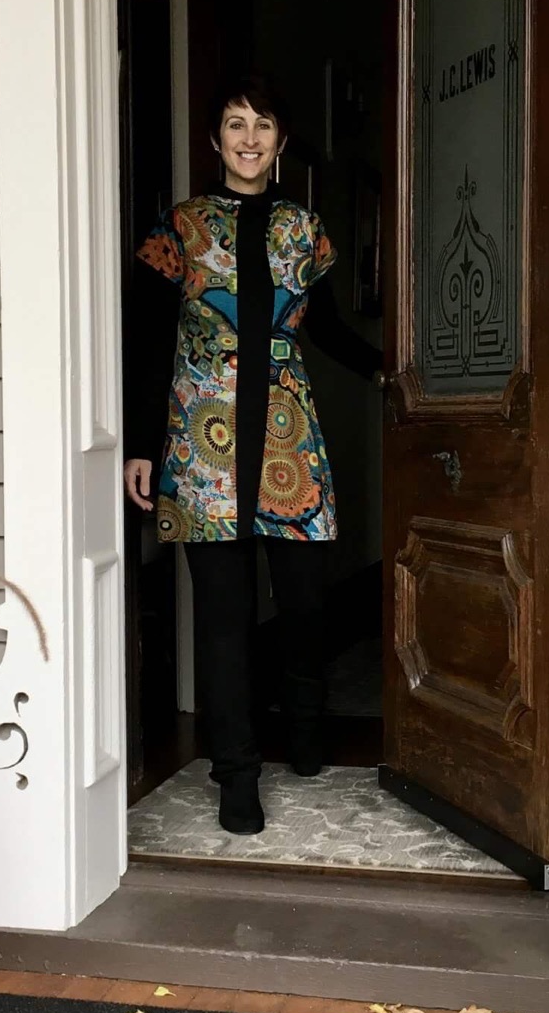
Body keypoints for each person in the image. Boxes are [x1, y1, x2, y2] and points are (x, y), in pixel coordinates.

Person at [124, 77, 383, 835]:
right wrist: (141, 448)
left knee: (303, 604)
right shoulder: (179, 229)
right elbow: (146, 342)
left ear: (280, 140)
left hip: (287, 444)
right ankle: (236, 773)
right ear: (214, 141)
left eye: (262, 124)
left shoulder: (307, 231)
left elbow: (327, 326)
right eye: (234, 124)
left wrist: (383, 370)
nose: (247, 137)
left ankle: (304, 724)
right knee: (225, 619)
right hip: (199, 450)